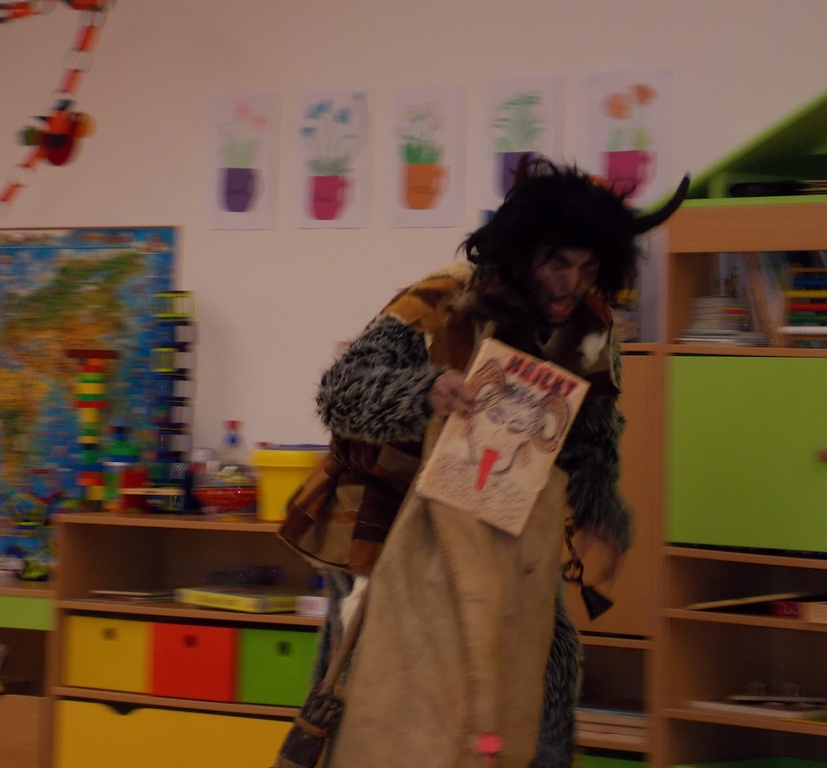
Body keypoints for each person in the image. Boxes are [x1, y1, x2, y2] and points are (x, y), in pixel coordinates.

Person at [280, 156, 688, 767]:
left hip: (501, 518)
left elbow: (592, 436)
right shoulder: (443, 299)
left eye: (586, 268)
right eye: (556, 264)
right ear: (522, 255)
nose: (570, 284)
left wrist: (598, 510)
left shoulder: (591, 327)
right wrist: (422, 390)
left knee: (539, 667)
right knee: (382, 682)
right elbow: (339, 393)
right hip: (387, 518)